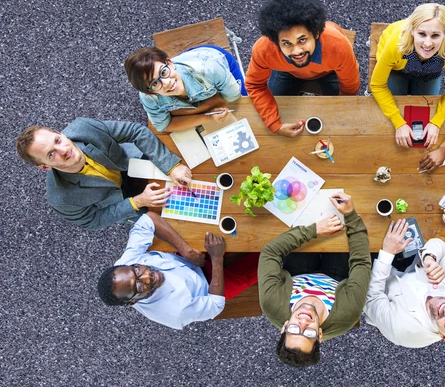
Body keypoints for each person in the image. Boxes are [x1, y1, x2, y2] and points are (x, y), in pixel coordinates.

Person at [258, 192, 370, 367]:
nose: (303, 322)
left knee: (303, 211)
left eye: (294, 329)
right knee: (342, 224)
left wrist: (314, 230)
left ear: (284, 327)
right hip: (337, 276)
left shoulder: (271, 305)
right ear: (319, 335)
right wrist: (350, 215)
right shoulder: (347, 314)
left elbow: (270, 253)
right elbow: (361, 263)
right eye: (308, 333)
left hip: (298, 272)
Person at [16, 118, 190, 230]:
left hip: (130, 162)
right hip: (123, 200)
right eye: (51, 154)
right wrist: (137, 202)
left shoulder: (84, 127)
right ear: (45, 167)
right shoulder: (61, 199)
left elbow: (135, 131)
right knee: (183, 224)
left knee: (192, 176)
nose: (64, 150)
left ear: (59, 133)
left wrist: (171, 166)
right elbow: (92, 221)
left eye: (58, 140)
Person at [97, 211, 259, 329]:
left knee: (240, 223)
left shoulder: (125, 265)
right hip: (211, 286)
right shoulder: (175, 313)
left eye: (137, 270)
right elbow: (215, 305)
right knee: (265, 262)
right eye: (139, 286)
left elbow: (148, 220)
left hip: (187, 256)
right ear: (133, 302)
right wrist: (217, 259)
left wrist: (186, 251)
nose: (147, 276)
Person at [245, 0, 360, 137]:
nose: (297, 51)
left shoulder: (338, 46)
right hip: (287, 72)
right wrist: (274, 124)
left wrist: (341, 108)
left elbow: (350, 86)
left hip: (329, 72)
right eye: (287, 43)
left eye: (302, 40)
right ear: (275, 42)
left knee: (338, 118)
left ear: (316, 34)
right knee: (273, 108)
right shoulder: (263, 50)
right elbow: (255, 85)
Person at [364, 219, 445, 348]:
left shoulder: (403, 331)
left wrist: (387, 252)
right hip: (408, 264)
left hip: (371, 281)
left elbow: (372, 298)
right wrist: (430, 258)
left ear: (444, 338)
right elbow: (441, 246)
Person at [370, 3, 445, 148]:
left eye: (435, 35)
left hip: (429, 73)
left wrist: (436, 122)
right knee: (389, 112)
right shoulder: (396, 45)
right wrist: (398, 123)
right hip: (396, 69)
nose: (427, 43)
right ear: (412, 30)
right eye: (422, 34)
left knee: (424, 109)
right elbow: (377, 85)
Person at [125, 45, 244, 132]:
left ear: (170, 63)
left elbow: (233, 97)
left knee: (244, 98)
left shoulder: (209, 68)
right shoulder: (148, 96)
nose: (166, 83)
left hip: (216, 60)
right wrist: (208, 117)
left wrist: (183, 113)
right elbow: (164, 126)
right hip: (192, 66)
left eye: (163, 72)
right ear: (149, 91)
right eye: (155, 84)